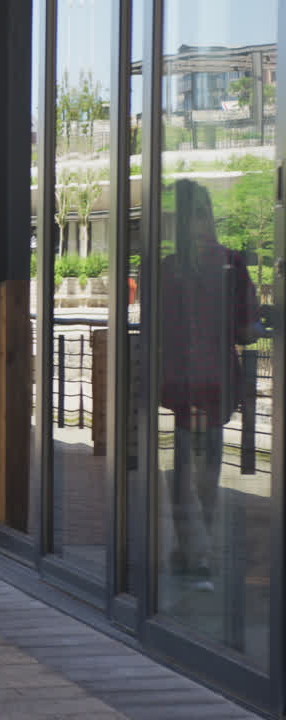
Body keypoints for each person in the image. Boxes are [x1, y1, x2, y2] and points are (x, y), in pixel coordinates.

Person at [159, 179, 256, 592]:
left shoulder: (165, 268)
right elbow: (247, 331)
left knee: (183, 471)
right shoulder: (231, 264)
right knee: (207, 474)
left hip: (181, 383)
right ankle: (201, 555)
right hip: (217, 384)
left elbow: (156, 326)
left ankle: (191, 553)